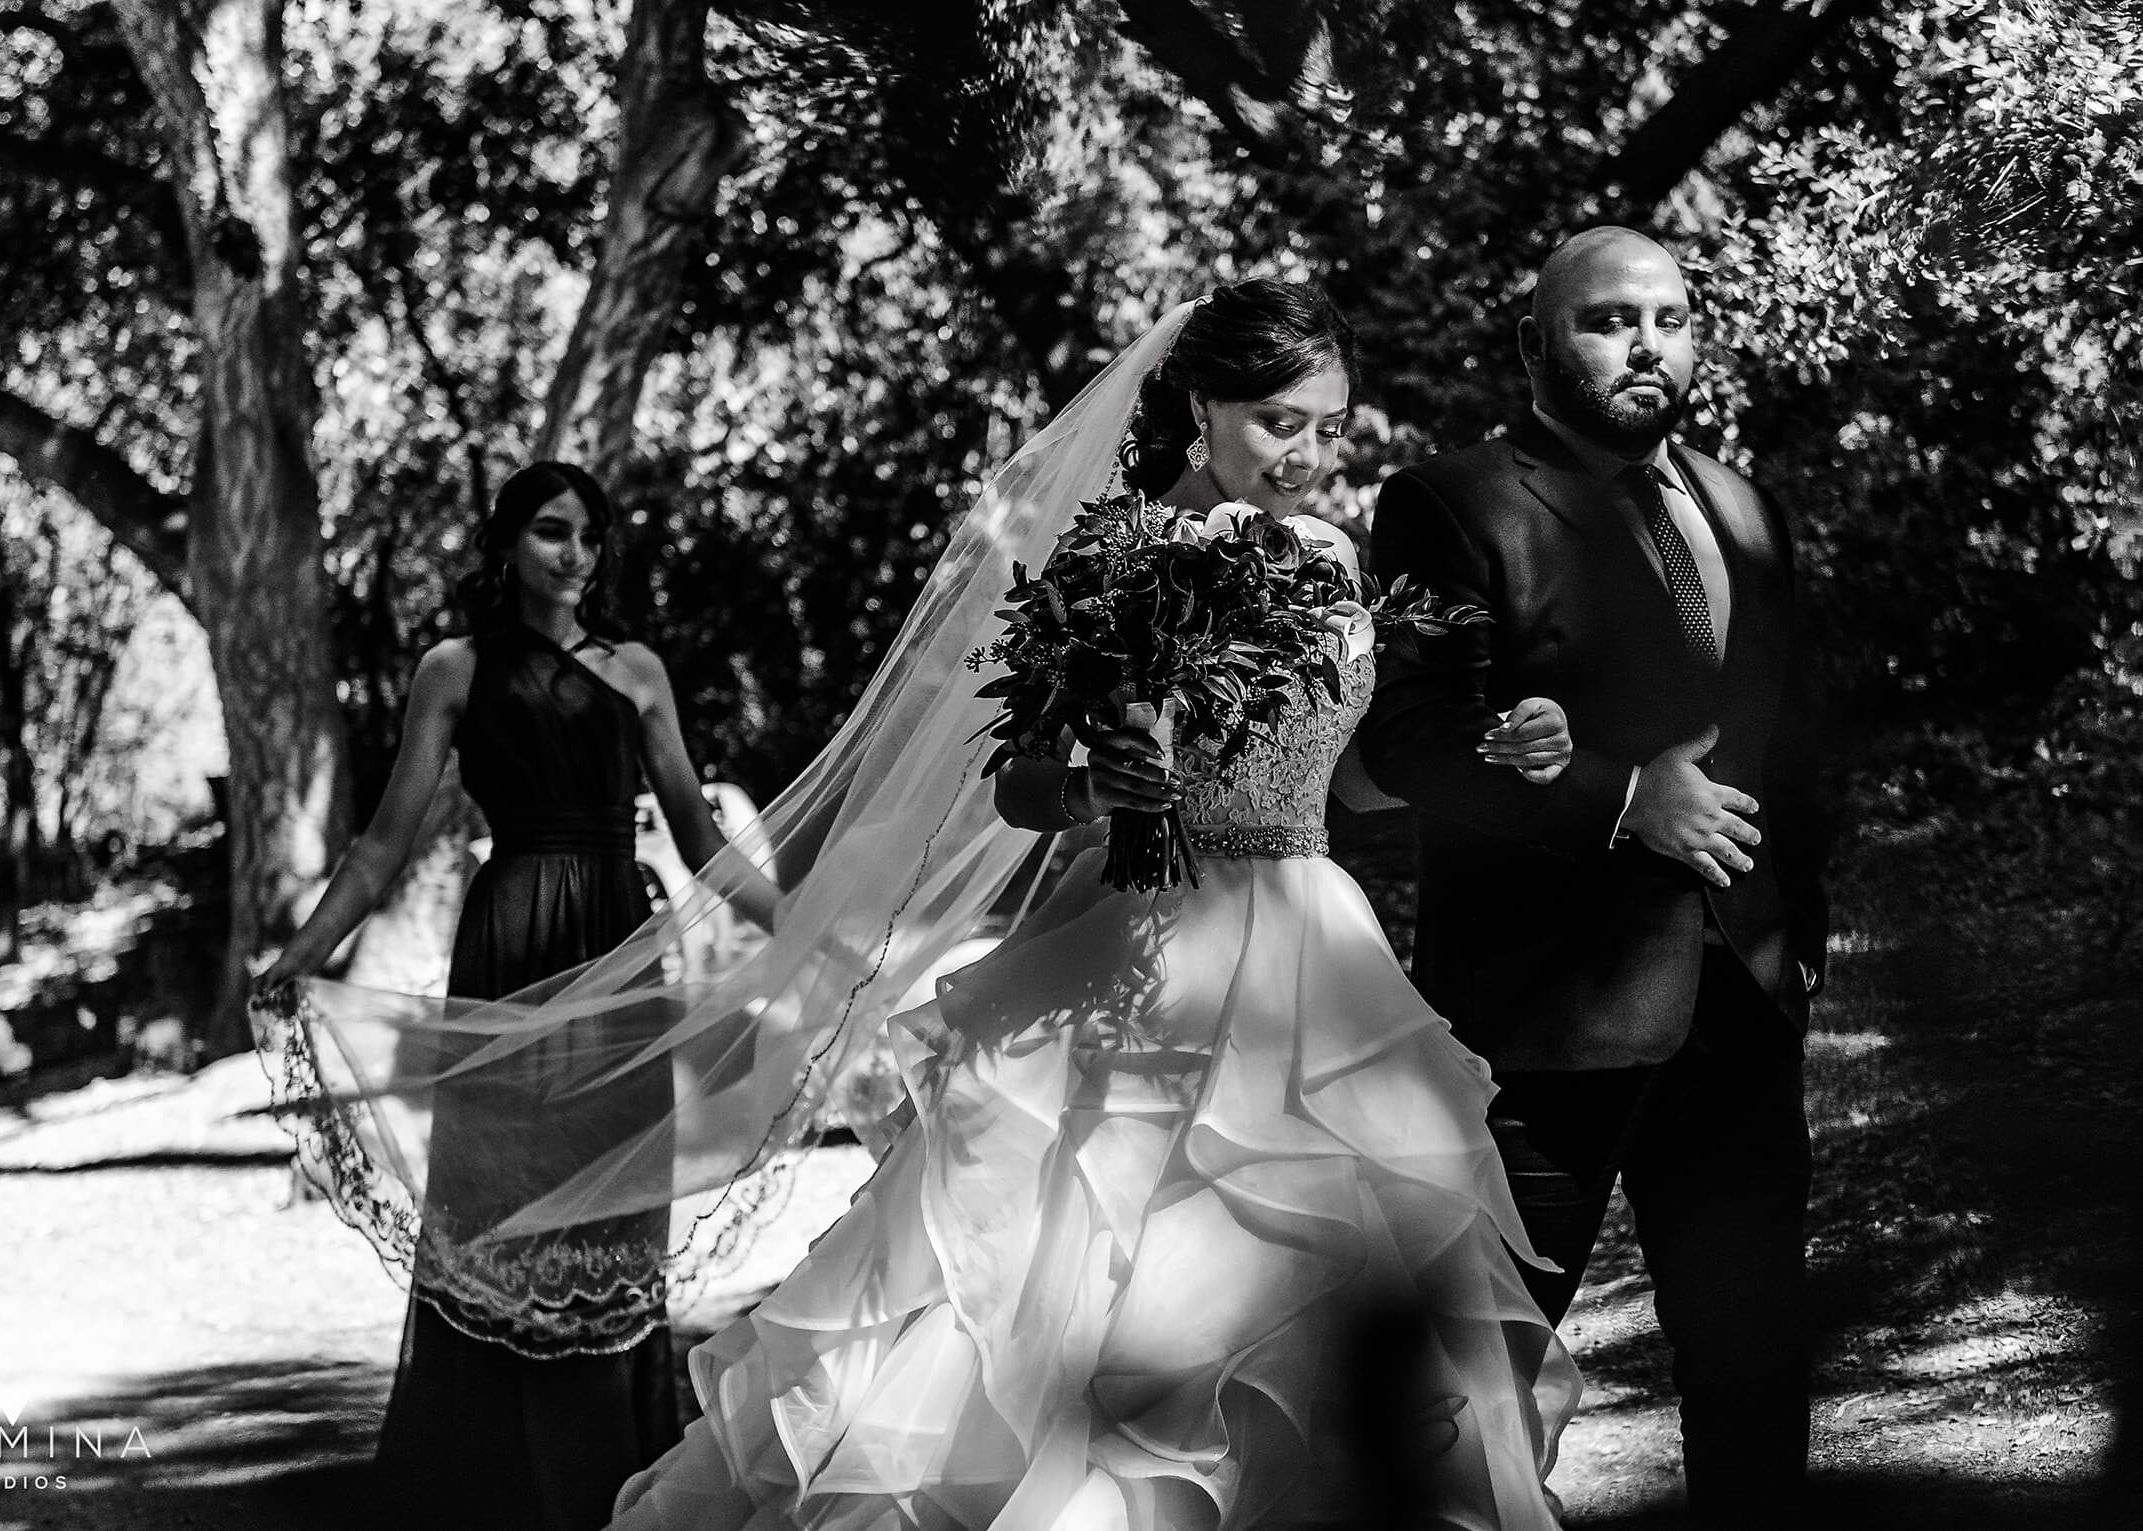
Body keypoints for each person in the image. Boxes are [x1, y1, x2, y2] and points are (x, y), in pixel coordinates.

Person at [605, 279, 1582, 1530]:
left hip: (1313, 961)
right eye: (1281, 419)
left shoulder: (1333, 558)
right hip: (1148, 944)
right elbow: (1020, 783)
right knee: (1098, 1293)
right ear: (1195, 404)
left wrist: (1486, 755)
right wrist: (1091, 782)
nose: (1308, 454)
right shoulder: (1108, 556)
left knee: (1340, 1289)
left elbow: (1344, 783)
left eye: (1329, 426)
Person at [1355, 228, 1831, 1528]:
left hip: (1740, 1007)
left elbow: (1796, 745)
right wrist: (1623, 799)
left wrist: (1800, 948)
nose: (1647, 344)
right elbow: (1407, 736)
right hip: (1540, 1024)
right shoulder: (1445, 504)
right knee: (1477, 1372)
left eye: (1671, 317)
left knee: (1752, 1361)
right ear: (1534, 343)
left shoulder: (1746, 508)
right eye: (1609, 319)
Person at [255, 461, 778, 1531]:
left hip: (619, 948)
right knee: (497, 1206)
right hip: (509, 948)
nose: (574, 553)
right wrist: (299, 953)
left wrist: (804, 920)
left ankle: (615, 1477)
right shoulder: (452, 667)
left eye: (590, 534)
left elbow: (695, 836)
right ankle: (487, 1481)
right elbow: (383, 842)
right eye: (550, 531)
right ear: (505, 544)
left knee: (618, 1201)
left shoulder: (637, 669)